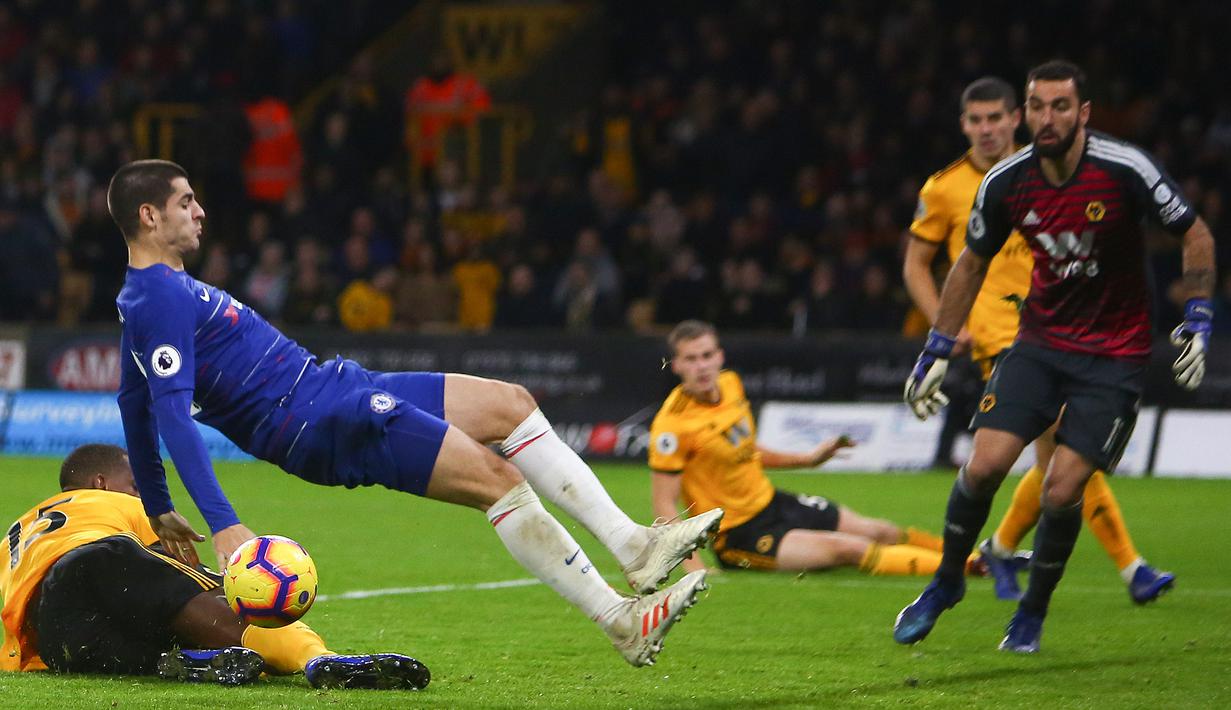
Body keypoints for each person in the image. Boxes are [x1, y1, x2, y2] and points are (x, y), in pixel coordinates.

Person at [107, 159, 722, 668]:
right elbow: (168, 413)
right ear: (149, 215)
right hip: (311, 420)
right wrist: (224, 524)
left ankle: (634, 545)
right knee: (498, 481)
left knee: (511, 405)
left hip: (329, 385)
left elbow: (131, 404)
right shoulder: (157, 295)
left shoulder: (151, 293)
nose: (200, 211)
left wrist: (159, 504)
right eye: (186, 201)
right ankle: (621, 621)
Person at [897, 60, 1216, 653]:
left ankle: (1032, 612)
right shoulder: (1006, 182)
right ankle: (945, 583)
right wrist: (937, 347)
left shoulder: (1125, 168)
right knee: (985, 465)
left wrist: (1198, 316)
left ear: (1083, 113)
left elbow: (1196, 234)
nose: (1048, 118)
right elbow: (968, 264)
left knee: (1063, 487)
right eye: (1039, 106)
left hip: (1115, 355)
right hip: (1040, 344)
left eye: (1060, 107)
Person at [0, 444, 428, 689]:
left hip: (57, 646)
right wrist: (228, 584)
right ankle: (317, 659)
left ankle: (189, 662)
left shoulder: (17, 532)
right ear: (101, 483)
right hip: (94, 562)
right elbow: (174, 578)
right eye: (137, 486)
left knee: (155, 637)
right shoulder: (109, 504)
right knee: (219, 599)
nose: (142, 495)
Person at [649, 321, 999, 577]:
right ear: (676, 365)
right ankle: (971, 568)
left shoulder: (730, 384)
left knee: (880, 531)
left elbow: (746, 450)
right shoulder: (672, 425)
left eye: (707, 355)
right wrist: (694, 567)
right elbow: (664, 502)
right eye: (691, 359)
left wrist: (808, 458)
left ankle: (974, 555)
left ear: (719, 355)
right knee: (847, 548)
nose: (702, 366)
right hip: (739, 535)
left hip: (773, 502)